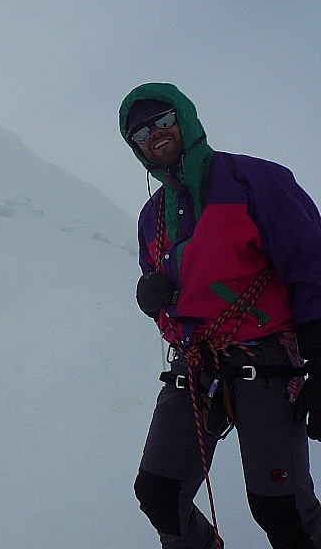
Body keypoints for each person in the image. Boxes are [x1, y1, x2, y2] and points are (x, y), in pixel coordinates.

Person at [119, 82, 321, 548]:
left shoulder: (253, 180)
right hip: (196, 365)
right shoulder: (152, 219)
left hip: (265, 358)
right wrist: (156, 303)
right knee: (159, 493)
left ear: (184, 120)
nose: (155, 134)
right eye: (141, 132)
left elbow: (309, 262)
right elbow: (170, 306)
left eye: (164, 121)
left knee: (281, 509)